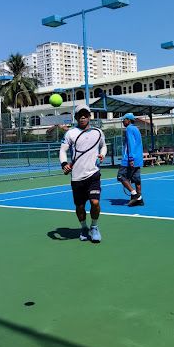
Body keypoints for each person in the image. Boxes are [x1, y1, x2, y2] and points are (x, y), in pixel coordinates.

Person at [59, 104, 107, 243]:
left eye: (85, 114)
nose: (83, 117)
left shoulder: (98, 132)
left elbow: (103, 146)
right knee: (80, 207)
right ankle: (84, 228)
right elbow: (63, 150)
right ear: (76, 117)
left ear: (89, 116)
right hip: (77, 177)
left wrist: (102, 154)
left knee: (95, 202)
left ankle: (94, 227)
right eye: (80, 115)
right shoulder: (70, 133)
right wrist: (64, 164)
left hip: (93, 174)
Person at [117, 113, 144, 207]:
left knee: (120, 176)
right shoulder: (136, 129)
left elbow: (131, 144)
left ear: (128, 120)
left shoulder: (129, 129)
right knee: (136, 179)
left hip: (129, 159)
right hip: (138, 158)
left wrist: (131, 158)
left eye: (124, 120)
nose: (123, 121)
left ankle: (135, 195)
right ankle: (140, 199)